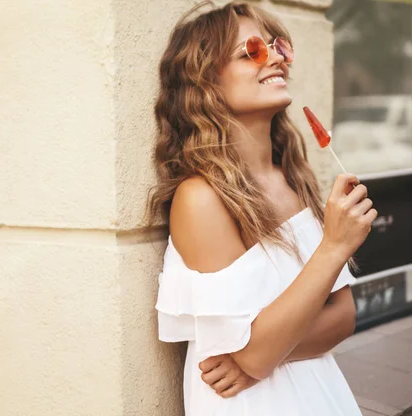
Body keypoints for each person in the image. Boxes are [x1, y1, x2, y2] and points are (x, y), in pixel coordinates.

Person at [145, 2, 377, 415]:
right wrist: (334, 246)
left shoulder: (293, 177)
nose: (275, 58)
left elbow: (342, 318)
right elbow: (253, 353)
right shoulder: (202, 197)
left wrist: (257, 356)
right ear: (206, 82)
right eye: (251, 50)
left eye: (277, 47)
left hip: (319, 393)